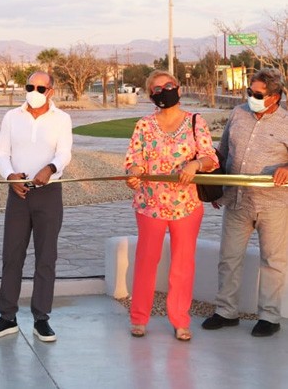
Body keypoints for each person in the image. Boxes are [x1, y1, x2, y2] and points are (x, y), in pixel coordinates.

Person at [123, 70, 219, 341]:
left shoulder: (195, 122)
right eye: (156, 88)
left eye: (168, 85)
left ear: (178, 88)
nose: (163, 90)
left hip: (186, 205)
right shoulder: (143, 125)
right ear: (150, 94)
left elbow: (210, 157)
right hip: (149, 203)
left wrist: (196, 164)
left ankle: (180, 320)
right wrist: (135, 172)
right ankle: (139, 318)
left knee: (182, 263)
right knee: (146, 261)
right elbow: (134, 159)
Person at [0, 71, 71, 343]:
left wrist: (50, 168)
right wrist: (10, 176)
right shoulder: (12, 117)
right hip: (18, 194)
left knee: (46, 257)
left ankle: (41, 318)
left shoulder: (62, 119)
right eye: (30, 86)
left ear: (51, 91)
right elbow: (2, 153)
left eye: (41, 87)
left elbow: (64, 153)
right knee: (12, 255)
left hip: (49, 193)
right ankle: (7, 316)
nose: (34, 91)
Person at [202, 68, 288, 337]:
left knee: (273, 260)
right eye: (249, 92)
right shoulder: (238, 114)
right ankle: (226, 312)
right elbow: (223, 152)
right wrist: (216, 188)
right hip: (236, 201)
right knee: (228, 258)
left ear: (275, 96)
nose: (251, 97)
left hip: (273, 205)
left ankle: (269, 316)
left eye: (257, 94)